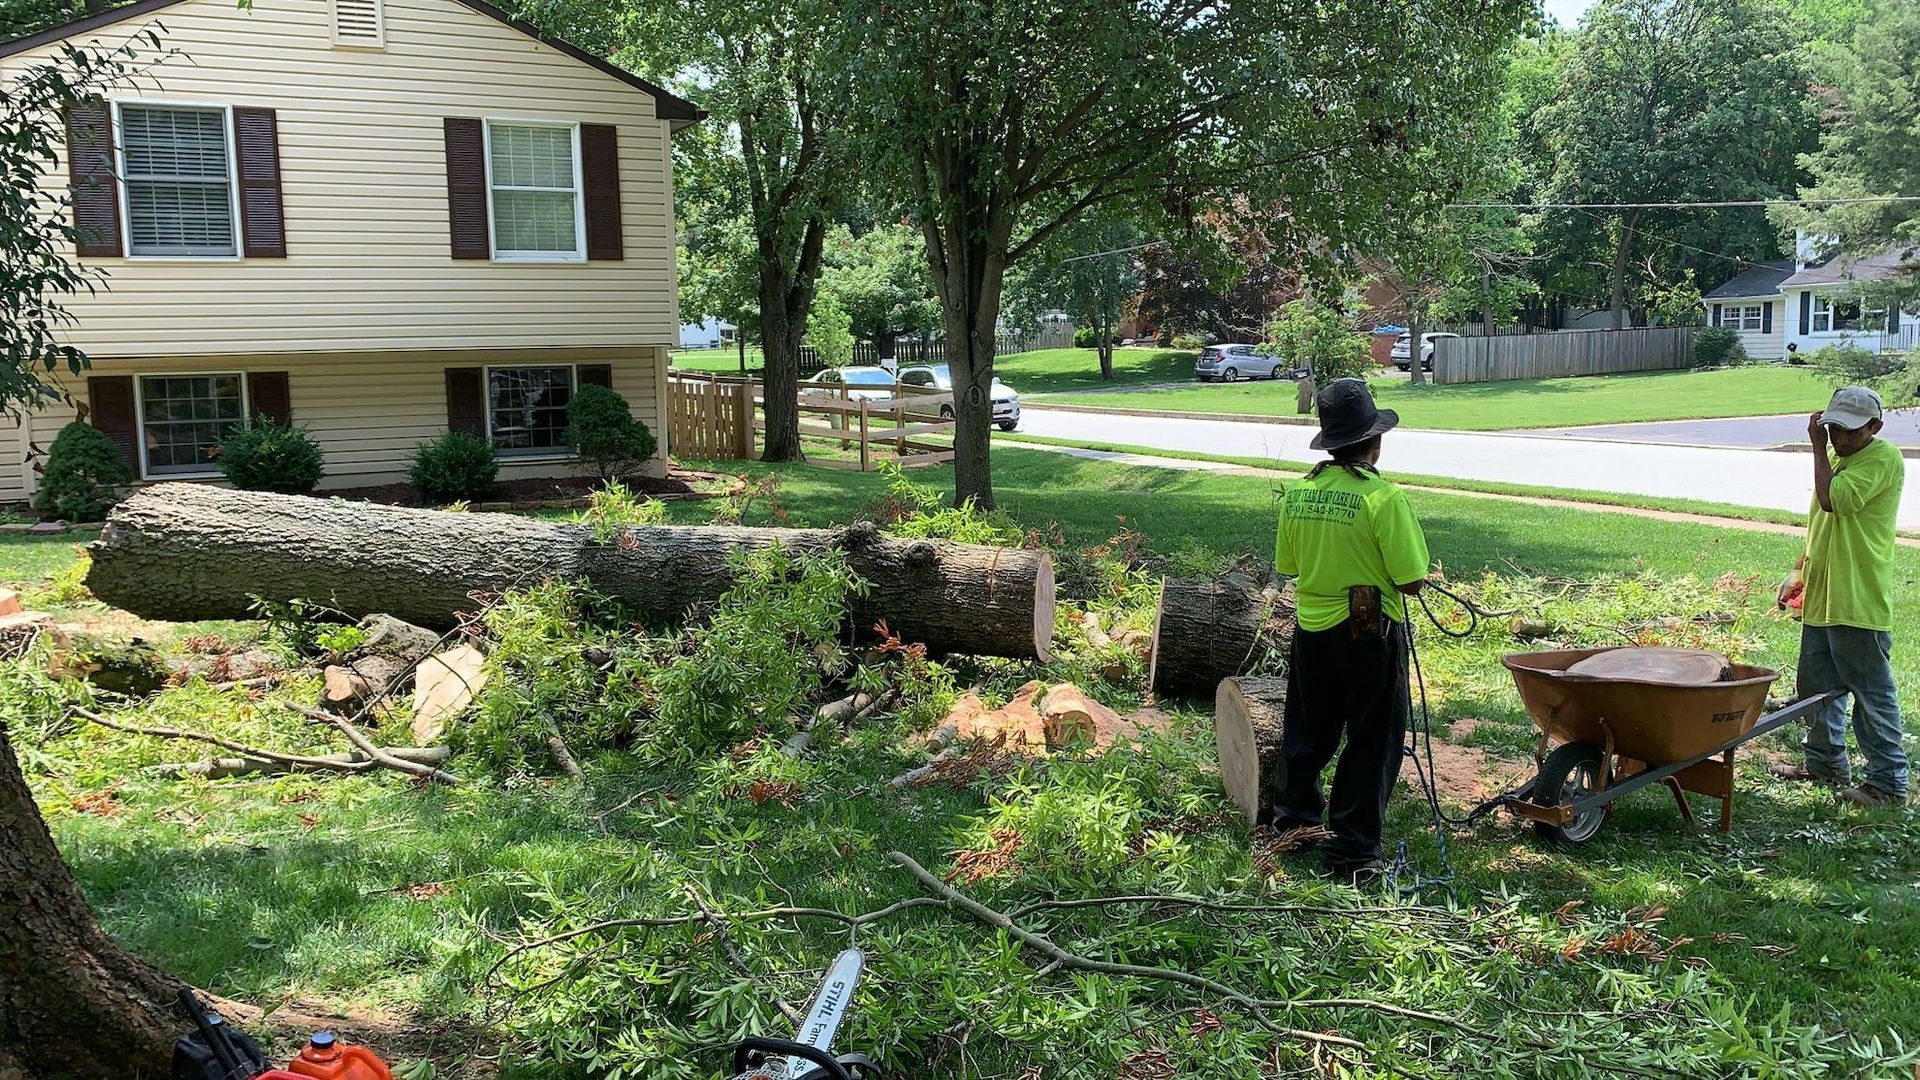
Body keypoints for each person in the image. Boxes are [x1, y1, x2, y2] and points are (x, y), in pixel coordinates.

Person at [1270, 378, 1431, 882]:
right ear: (1374, 441)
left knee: (1307, 728)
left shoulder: (1299, 494)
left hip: (1311, 629)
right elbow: (1410, 580)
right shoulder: (1383, 499)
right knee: (1371, 737)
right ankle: (1353, 848)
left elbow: (1290, 565)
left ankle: (1293, 825)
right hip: (1369, 632)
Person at [1774, 386, 1908, 807]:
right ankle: (1824, 764)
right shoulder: (1838, 459)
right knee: (1816, 687)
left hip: (1857, 600)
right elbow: (1819, 525)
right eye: (1833, 429)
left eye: (1850, 432)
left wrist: (1816, 449)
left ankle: (1888, 783)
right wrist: (1799, 571)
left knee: (1871, 694)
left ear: (1875, 427)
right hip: (1823, 597)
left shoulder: (1883, 459)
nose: (1839, 439)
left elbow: (1835, 503)